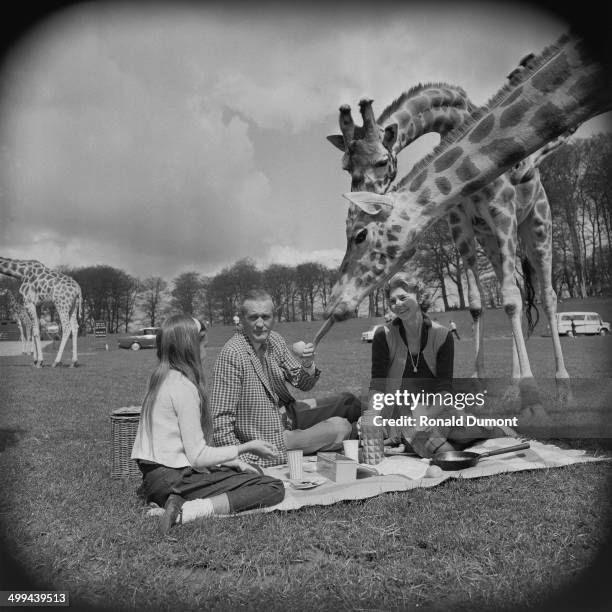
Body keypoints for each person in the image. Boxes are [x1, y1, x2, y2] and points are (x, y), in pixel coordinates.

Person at [131, 314, 285, 534]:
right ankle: (189, 510)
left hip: (157, 479)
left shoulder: (161, 379)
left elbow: (186, 452)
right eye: (201, 340)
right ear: (188, 345)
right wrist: (247, 447)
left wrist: (233, 463)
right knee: (272, 487)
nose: (206, 344)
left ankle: (173, 500)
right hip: (173, 478)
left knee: (252, 471)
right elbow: (198, 456)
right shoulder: (183, 387)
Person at [211, 289, 361, 467]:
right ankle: (359, 435)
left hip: (287, 414)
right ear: (242, 319)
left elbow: (304, 384)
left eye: (265, 317)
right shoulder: (232, 355)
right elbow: (220, 422)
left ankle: (380, 431)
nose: (260, 324)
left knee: (348, 401)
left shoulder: (274, 340)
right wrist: (243, 461)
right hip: (270, 439)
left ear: (274, 317)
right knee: (340, 427)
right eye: (253, 317)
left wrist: (307, 363)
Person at [369, 273, 513, 458]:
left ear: (419, 297)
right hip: (400, 414)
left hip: (435, 409)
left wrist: (427, 416)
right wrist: (373, 417)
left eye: (403, 297)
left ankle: (494, 430)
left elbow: (444, 388)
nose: (397, 304)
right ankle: (445, 449)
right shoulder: (383, 335)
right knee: (437, 447)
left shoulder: (443, 335)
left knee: (463, 430)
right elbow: (377, 385)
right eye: (392, 300)